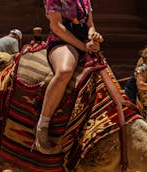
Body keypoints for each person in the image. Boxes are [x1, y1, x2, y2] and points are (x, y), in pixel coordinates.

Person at [34, 1, 103, 154]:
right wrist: (83, 46)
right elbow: (57, 27)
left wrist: (93, 35)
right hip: (62, 41)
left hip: (85, 43)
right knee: (65, 71)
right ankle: (43, 124)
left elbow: (90, 24)